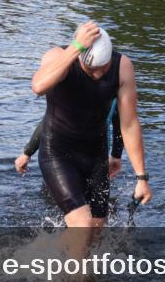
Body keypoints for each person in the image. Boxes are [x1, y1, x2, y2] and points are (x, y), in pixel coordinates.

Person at [30, 21, 151, 233]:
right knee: (82, 225)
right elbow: (38, 87)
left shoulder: (122, 66)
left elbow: (129, 124)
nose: (97, 75)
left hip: (96, 155)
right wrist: (75, 48)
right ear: (79, 56)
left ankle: (63, 259)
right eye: (91, 69)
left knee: (96, 229)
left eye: (103, 68)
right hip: (57, 151)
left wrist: (141, 177)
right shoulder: (57, 56)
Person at [15, 101, 123, 177]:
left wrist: (116, 156)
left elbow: (121, 127)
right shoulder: (114, 91)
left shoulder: (115, 95)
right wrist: (28, 152)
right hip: (66, 154)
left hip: (94, 155)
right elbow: (121, 127)